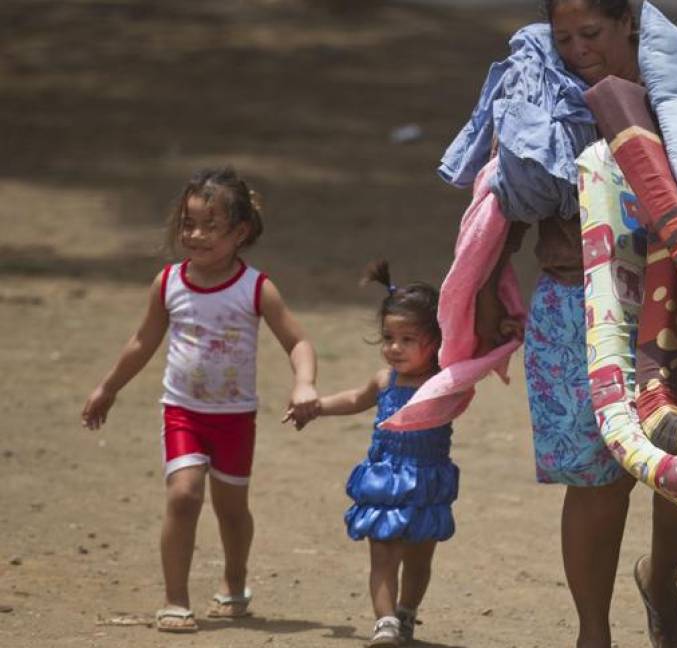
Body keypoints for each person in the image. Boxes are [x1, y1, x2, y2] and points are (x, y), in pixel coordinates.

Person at [448, 1, 677, 647]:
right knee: (594, 479)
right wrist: (487, 286)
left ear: (628, 26)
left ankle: (661, 577)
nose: (578, 49)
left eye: (592, 34)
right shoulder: (543, 75)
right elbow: (516, 176)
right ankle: (594, 633)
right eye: (565, 36)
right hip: (572, 297)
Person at [80, 167, 320, 633]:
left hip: (234, 418)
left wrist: (304, 383)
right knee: (184, 495)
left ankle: (234, 581)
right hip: (183, 411)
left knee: (232, 510)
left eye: (211, 226)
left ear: (241, 232)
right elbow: (142, 342)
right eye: (188, 224)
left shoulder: (256, 288)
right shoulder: (168, 282)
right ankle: (175, 600)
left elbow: (299, 342)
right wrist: (107, 388)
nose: (195, 235)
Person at [287, 260, 457, 647]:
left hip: (426, 482)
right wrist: (315, 407)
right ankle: (385, 623)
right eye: (388, 337)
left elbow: (478, 355)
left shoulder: (445, 381)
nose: (394, 348)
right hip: (385, 479)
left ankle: (406, 613)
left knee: (418, 558)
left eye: (408, 339)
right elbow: (354, 399)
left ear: (437, 340)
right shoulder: (385, 381)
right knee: (382, 551)